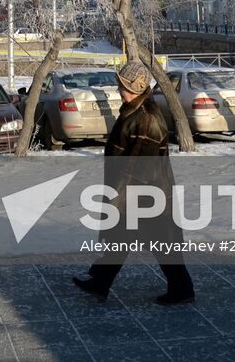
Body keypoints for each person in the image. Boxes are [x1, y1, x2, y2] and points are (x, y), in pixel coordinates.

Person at [72, 60, 195, 305]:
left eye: (124, 87)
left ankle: (182, 289)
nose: (120, 90)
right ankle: (101, 283)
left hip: (145, 193)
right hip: (135, 191)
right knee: (125, 238)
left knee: (158, 242)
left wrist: (119, 198)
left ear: (136, 88)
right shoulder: (135, 111)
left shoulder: (146, 119)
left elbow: (138, 166)